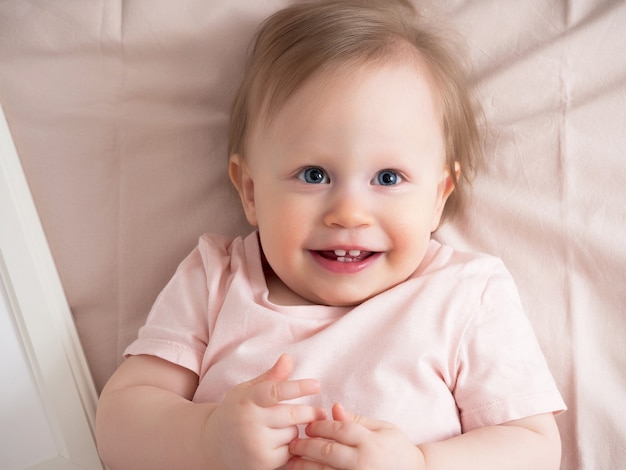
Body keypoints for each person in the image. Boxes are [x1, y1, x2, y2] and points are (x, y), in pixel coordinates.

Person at [96, 1, 566, 468]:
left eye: (388, 178)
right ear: (252, 191)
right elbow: (119, 420)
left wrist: (420, 464)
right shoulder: (217, 281)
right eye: (314, 175)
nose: (349, 214)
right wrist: (207, 437)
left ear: (439, 196)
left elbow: (533, 445)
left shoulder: (464, 295)